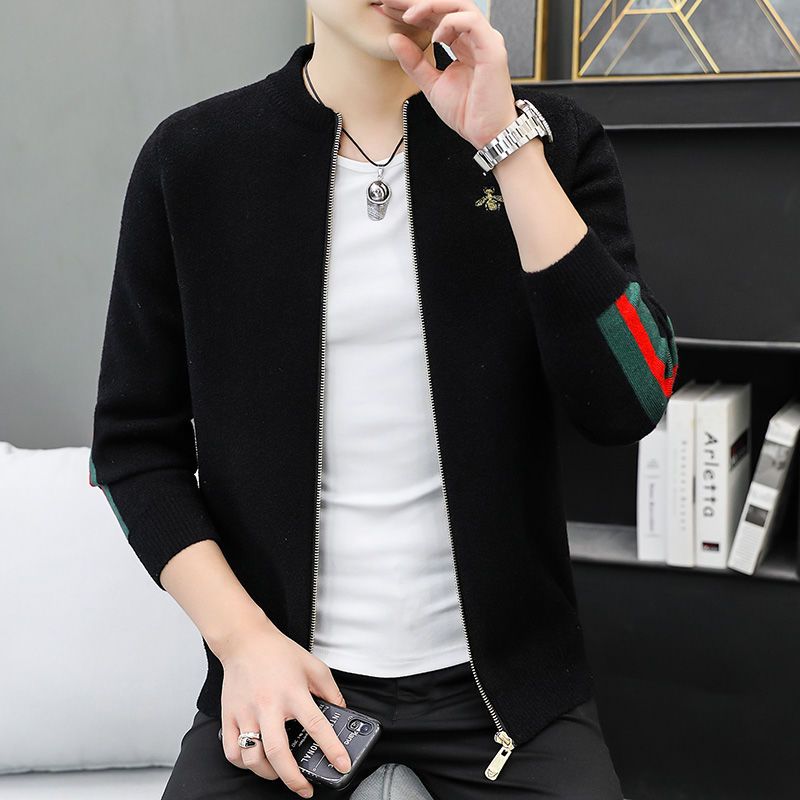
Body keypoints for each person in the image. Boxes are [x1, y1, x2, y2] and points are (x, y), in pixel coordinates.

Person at [89, 1, 679, 798]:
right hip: (285, 678)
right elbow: (132, 449)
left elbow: (632, 398)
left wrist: (507, 148)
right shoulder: (192, 159)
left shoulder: (555, 139)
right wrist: (244, 643)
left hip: (510, 693)